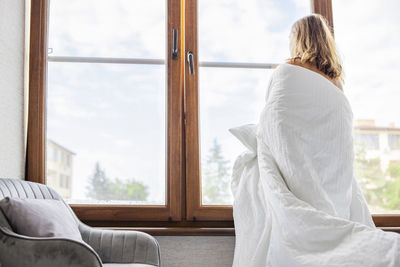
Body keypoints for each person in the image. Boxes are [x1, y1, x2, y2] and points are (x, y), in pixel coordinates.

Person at [230, 14, 400, 267]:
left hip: (300, 179)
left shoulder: (286, 71)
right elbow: (337, 142)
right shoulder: (337, 85)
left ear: (297, 39)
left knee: (251, 170)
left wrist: (264, 148)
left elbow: (274, 124)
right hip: (333, 188)